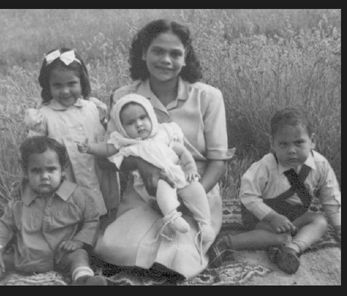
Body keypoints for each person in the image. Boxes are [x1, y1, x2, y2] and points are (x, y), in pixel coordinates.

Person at [93, 19, 235, 280]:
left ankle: (191, 246)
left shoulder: (208, 97)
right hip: (144, 190)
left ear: (186, 56)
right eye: (158, 51)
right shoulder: (125, 96)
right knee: (117, 248)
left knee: (177, 255)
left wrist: (188, 198)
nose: (166, 60)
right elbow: (108, 158)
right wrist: (140, 165)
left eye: (175, 53)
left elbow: (218, 161)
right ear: (144, 52)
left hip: (195, 187)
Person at [0, 136, 107, 285]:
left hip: (62, 254)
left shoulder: (76, 195)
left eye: (51, 169)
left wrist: (79, 240)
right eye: (36, 171)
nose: (44, 176)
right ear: (26, 173)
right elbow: (6, 226)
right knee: (0, 260)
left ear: (62, 170)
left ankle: (84, 279)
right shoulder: (19, 200)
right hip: (25, 255)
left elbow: (91, 219)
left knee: (79, 256)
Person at [210, 107, 341, 274]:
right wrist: (273, 217)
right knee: (281, 236)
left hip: (293, 215)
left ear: (312, 141)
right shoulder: (265, 166)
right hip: (261, 215)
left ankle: (291, 250)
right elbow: (248, 196)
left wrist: (339, 226)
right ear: (273, 144)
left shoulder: (320, 165)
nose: (291, 150)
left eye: (299, 142)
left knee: (319, 221)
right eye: (283, 144)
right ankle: (227, 243)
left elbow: (331, 198)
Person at [78, 93, 216, 243]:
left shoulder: (163, 133)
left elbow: (182, 152)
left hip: (179, 173)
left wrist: (190, 169)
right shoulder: (128, 144)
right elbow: (107, 150)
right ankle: (172, 217)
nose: (139, 124)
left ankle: (204, 222)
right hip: (154, 182)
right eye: (131, 123)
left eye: (143, 118)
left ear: (151, 117)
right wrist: (89, 148)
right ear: (123, 128)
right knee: (164, 190)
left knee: (196, 189)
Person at [24, 47, 119, 218]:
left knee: (106, 209)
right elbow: (33, 151)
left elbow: (107, 137)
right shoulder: (44, 116)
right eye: (57, 85)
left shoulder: (94, 108)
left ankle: (106, 226)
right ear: (48, 86)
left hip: (98, 170)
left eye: (71, 84)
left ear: (82, 82)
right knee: (74, 213)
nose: (65, 91)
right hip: (69, 178)